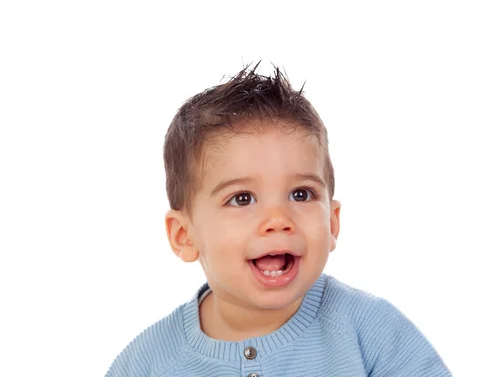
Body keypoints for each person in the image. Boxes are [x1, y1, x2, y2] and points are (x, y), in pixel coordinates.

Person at [106, 64, 452, 377]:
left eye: (301, 194)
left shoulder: (372, 331)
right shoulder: (146, 365)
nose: (278, 220)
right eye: (242, 198)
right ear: (184, 236)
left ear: (332, 222)